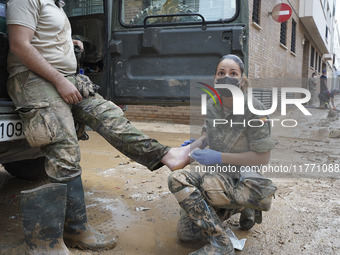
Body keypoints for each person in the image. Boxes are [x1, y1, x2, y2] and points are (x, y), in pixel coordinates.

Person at [6, 0, 199, 253]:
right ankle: (65, 234)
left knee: (110, 115)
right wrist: (59, 80)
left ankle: (166, 154)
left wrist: (70, 45)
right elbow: (20, 45)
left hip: (66, 77)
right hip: (32, 78)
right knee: (64, 149)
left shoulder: (57, 3)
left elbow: (47, 39)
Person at [168, 55, 277, 255]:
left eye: (233, 73)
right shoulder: (212, 104)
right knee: (187, 233)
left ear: (242, 79)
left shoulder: (255, 108)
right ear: (215, 79)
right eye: (221, 73)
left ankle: (222, 242)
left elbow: (263, 158)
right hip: (218, 177)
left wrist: (219, 157)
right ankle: (240, 207)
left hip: (242, 178)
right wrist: (196, 145)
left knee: (177, 179)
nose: (227, 77)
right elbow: (205, 135)